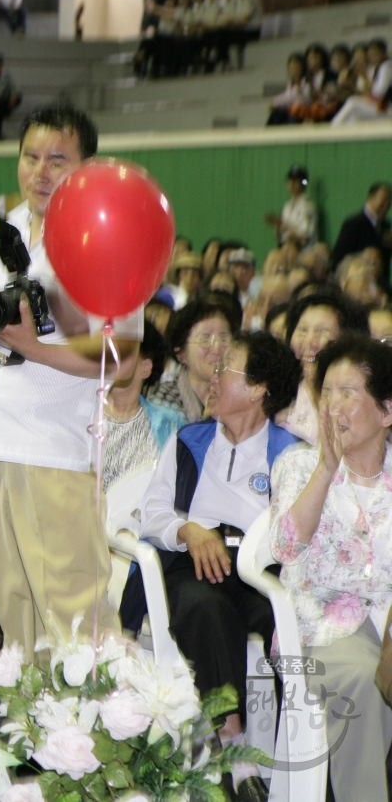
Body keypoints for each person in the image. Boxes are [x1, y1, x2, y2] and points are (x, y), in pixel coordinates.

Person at [0, 106, 143, 651]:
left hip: (56, 447)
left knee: (72, 609)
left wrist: (33, 347)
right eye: (31, 158)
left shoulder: (105, 238)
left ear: (87, 166)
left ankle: (85, 727)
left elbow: (121, 356)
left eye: (57, 160)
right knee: (10, 598)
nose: (40, 172)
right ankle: (32, 722)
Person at [134, 331, 302, 796]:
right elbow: (152, 514)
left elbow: (293, 533)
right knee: (204, 608)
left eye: (225, 366)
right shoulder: (190, 440)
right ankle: (237, 747)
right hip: (196, 559)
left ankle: (301, 750)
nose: (211, 375)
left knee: (288, 620)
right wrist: (188, 530)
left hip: (259, 569)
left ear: (257, 388)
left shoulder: (290, 452)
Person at [269, 335, 392, 802]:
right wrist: (326, 468)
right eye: (327, 392)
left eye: (348, 393)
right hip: (319, 631)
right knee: (366, 679)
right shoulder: (299, 465)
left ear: (386, 411)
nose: (333, 405)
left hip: (387, 628)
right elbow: (284, 547)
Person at [279, 290, 370, 446]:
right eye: (302, 330)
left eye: (322, 332)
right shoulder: (279, 399)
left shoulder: (364, 403)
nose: (309, 341)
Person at [100, 321, 184, 488]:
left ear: (145, 368)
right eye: (108, 352)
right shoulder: (86, 416)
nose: (112, 360)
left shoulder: (171, 424)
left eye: (123, 353)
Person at [150, 295, 239, 423]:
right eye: (205, 339)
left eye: (224, 338)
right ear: (180, 352)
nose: (217, 347)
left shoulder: (241, 397)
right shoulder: (162, 403)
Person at [332, 181, 391, 282]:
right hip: (357, 283)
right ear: (371, 197)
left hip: (380, 285)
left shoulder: (387, 228)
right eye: (383, 202)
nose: (386, 207)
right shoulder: (353, 224)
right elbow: (338, 259)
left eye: (389, 204)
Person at [266, 165, 317, 247]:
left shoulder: (308, 206)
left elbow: (305, 237)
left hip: (304, 250)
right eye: (290, 180)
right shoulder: (287, 206)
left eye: (295, 180)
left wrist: (284, 226)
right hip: (286, 247)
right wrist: (278, 225)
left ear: (303, 182)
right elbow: (280, 237)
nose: (292, 183)